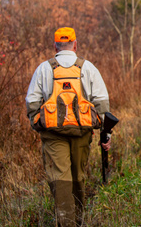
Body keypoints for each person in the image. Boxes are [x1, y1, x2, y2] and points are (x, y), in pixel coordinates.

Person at [26, 27, 111, 227]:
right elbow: (102, 102)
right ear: (75, 44)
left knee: (59, 176)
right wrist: (105, 134)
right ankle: (79, 219)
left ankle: (66, 221)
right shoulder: (88, 67)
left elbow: (32, 102)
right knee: (78, 175)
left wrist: (37, 124)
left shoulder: (44, 68)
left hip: (52, 134)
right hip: (82, 133)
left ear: (55, 45)